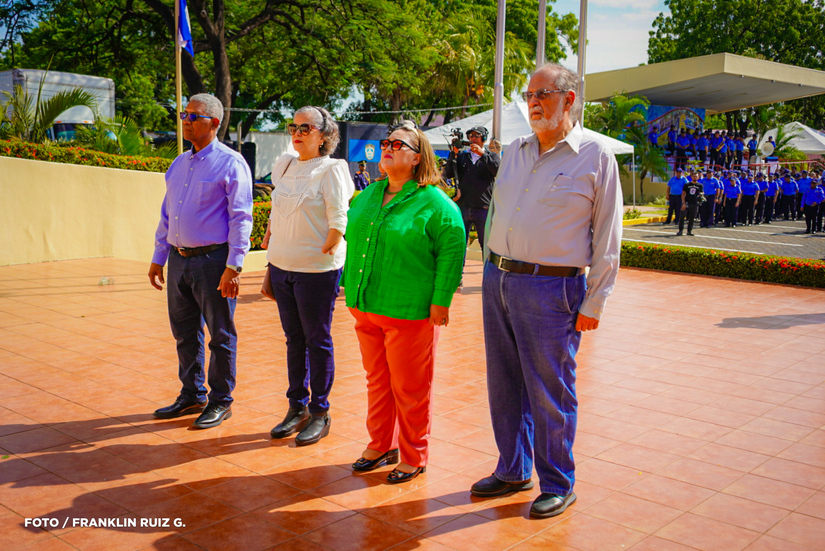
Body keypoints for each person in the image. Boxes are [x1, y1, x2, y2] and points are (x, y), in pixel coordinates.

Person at [470, 63, 622, 519]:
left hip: (552, 287)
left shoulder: (596, 156)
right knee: (504, 384)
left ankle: (558, 482)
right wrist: (489, 268)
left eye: (543, 94)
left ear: (569, 99)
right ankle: (513, 469)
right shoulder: (515, 151)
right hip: (498, 279)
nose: (533, 103)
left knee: (550, 390)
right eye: (529, 95)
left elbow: (608, 236)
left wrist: (595, 300)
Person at [344, 121, 465, 484]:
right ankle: (382, 444)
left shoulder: (436, 203)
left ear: (417, 158)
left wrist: (441, 301)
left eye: (398, 144)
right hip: (366, 306)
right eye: (386, 142)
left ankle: (414, 455)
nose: (388, 147)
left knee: (411, 388)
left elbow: (452, 251)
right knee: (377, 381)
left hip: (409, 310)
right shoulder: (368, 194)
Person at [149, 94, 253, 429]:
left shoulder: (231, 163)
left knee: (220, 334)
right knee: (184, 332)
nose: (186, 121)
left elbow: (241, 217)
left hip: (214, 261)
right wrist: (158, 257)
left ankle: (221, 400)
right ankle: (193, 394)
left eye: (194, 116)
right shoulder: (179, 163)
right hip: (179, 260)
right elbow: (168, 214)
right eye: (185, 114)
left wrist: (234, 266)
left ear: (214, 122)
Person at [263, 106, 354, 446]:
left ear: (324, 135)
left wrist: (326, 249)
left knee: (317, 340)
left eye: (306, 128)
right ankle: (296, 407)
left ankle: (320, 412)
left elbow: (339, 217)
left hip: (315, 271)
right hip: (282, 267)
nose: (298, 133)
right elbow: (277, 212)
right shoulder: (286, 165)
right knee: (294, 340)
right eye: (294, 127)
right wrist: (272, 254)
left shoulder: (331, 168)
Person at [442, 125, 500, 282]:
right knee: (460, 242)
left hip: (483, 207)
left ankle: (489, 277)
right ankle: (457, 277)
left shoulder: (492, 156)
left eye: (476, 136)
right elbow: (448, 173)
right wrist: (453, 154)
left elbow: (498, 170)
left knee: (485, 244)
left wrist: (482, 155)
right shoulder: (462, 157)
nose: (473, 139)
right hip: (463, 206)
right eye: (471, 136)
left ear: (484, 139)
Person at [678, 171, 703, 236]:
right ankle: (680, 230)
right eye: (694, 176)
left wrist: (701, 195)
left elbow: (701, 193)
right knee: (682, 217)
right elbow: (683, 194)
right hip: (687, 202)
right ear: (691, 177)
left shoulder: (700, 185)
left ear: (698, 177)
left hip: (694, 203)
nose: (695, 177)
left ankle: (689, 231)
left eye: (696, 176)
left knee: (692, 218)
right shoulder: (687, 185)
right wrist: (683, 202)